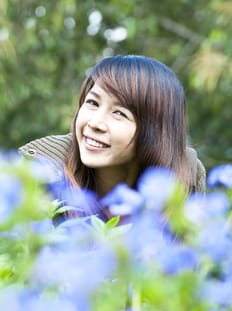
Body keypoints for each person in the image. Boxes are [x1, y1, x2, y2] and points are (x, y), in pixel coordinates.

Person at [19, 54, 206, 221]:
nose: (95, 123)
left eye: (119, 113)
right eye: (92, 102)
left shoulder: (184, 179)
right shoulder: (41, 174)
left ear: (157, 132)